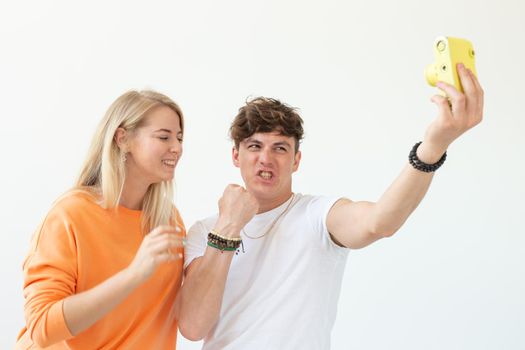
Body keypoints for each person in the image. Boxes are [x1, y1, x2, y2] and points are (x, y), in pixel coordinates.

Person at [175, 63, 484, 349]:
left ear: (296, 160)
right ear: (236, 156)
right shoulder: (205, 230)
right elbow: (193, 326)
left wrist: (432, 148)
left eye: (280, 148)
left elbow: (380, 222)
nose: (265, 159)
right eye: (254, 146)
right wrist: (228, 227)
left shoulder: (318, 216)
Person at [16, 90, 186, 349]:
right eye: (164, 136)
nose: (176, 147)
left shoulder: (168, 220)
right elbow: (42, 326)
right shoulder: (70, 214)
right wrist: (134, 275)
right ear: (123, 138)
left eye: (179, 138)